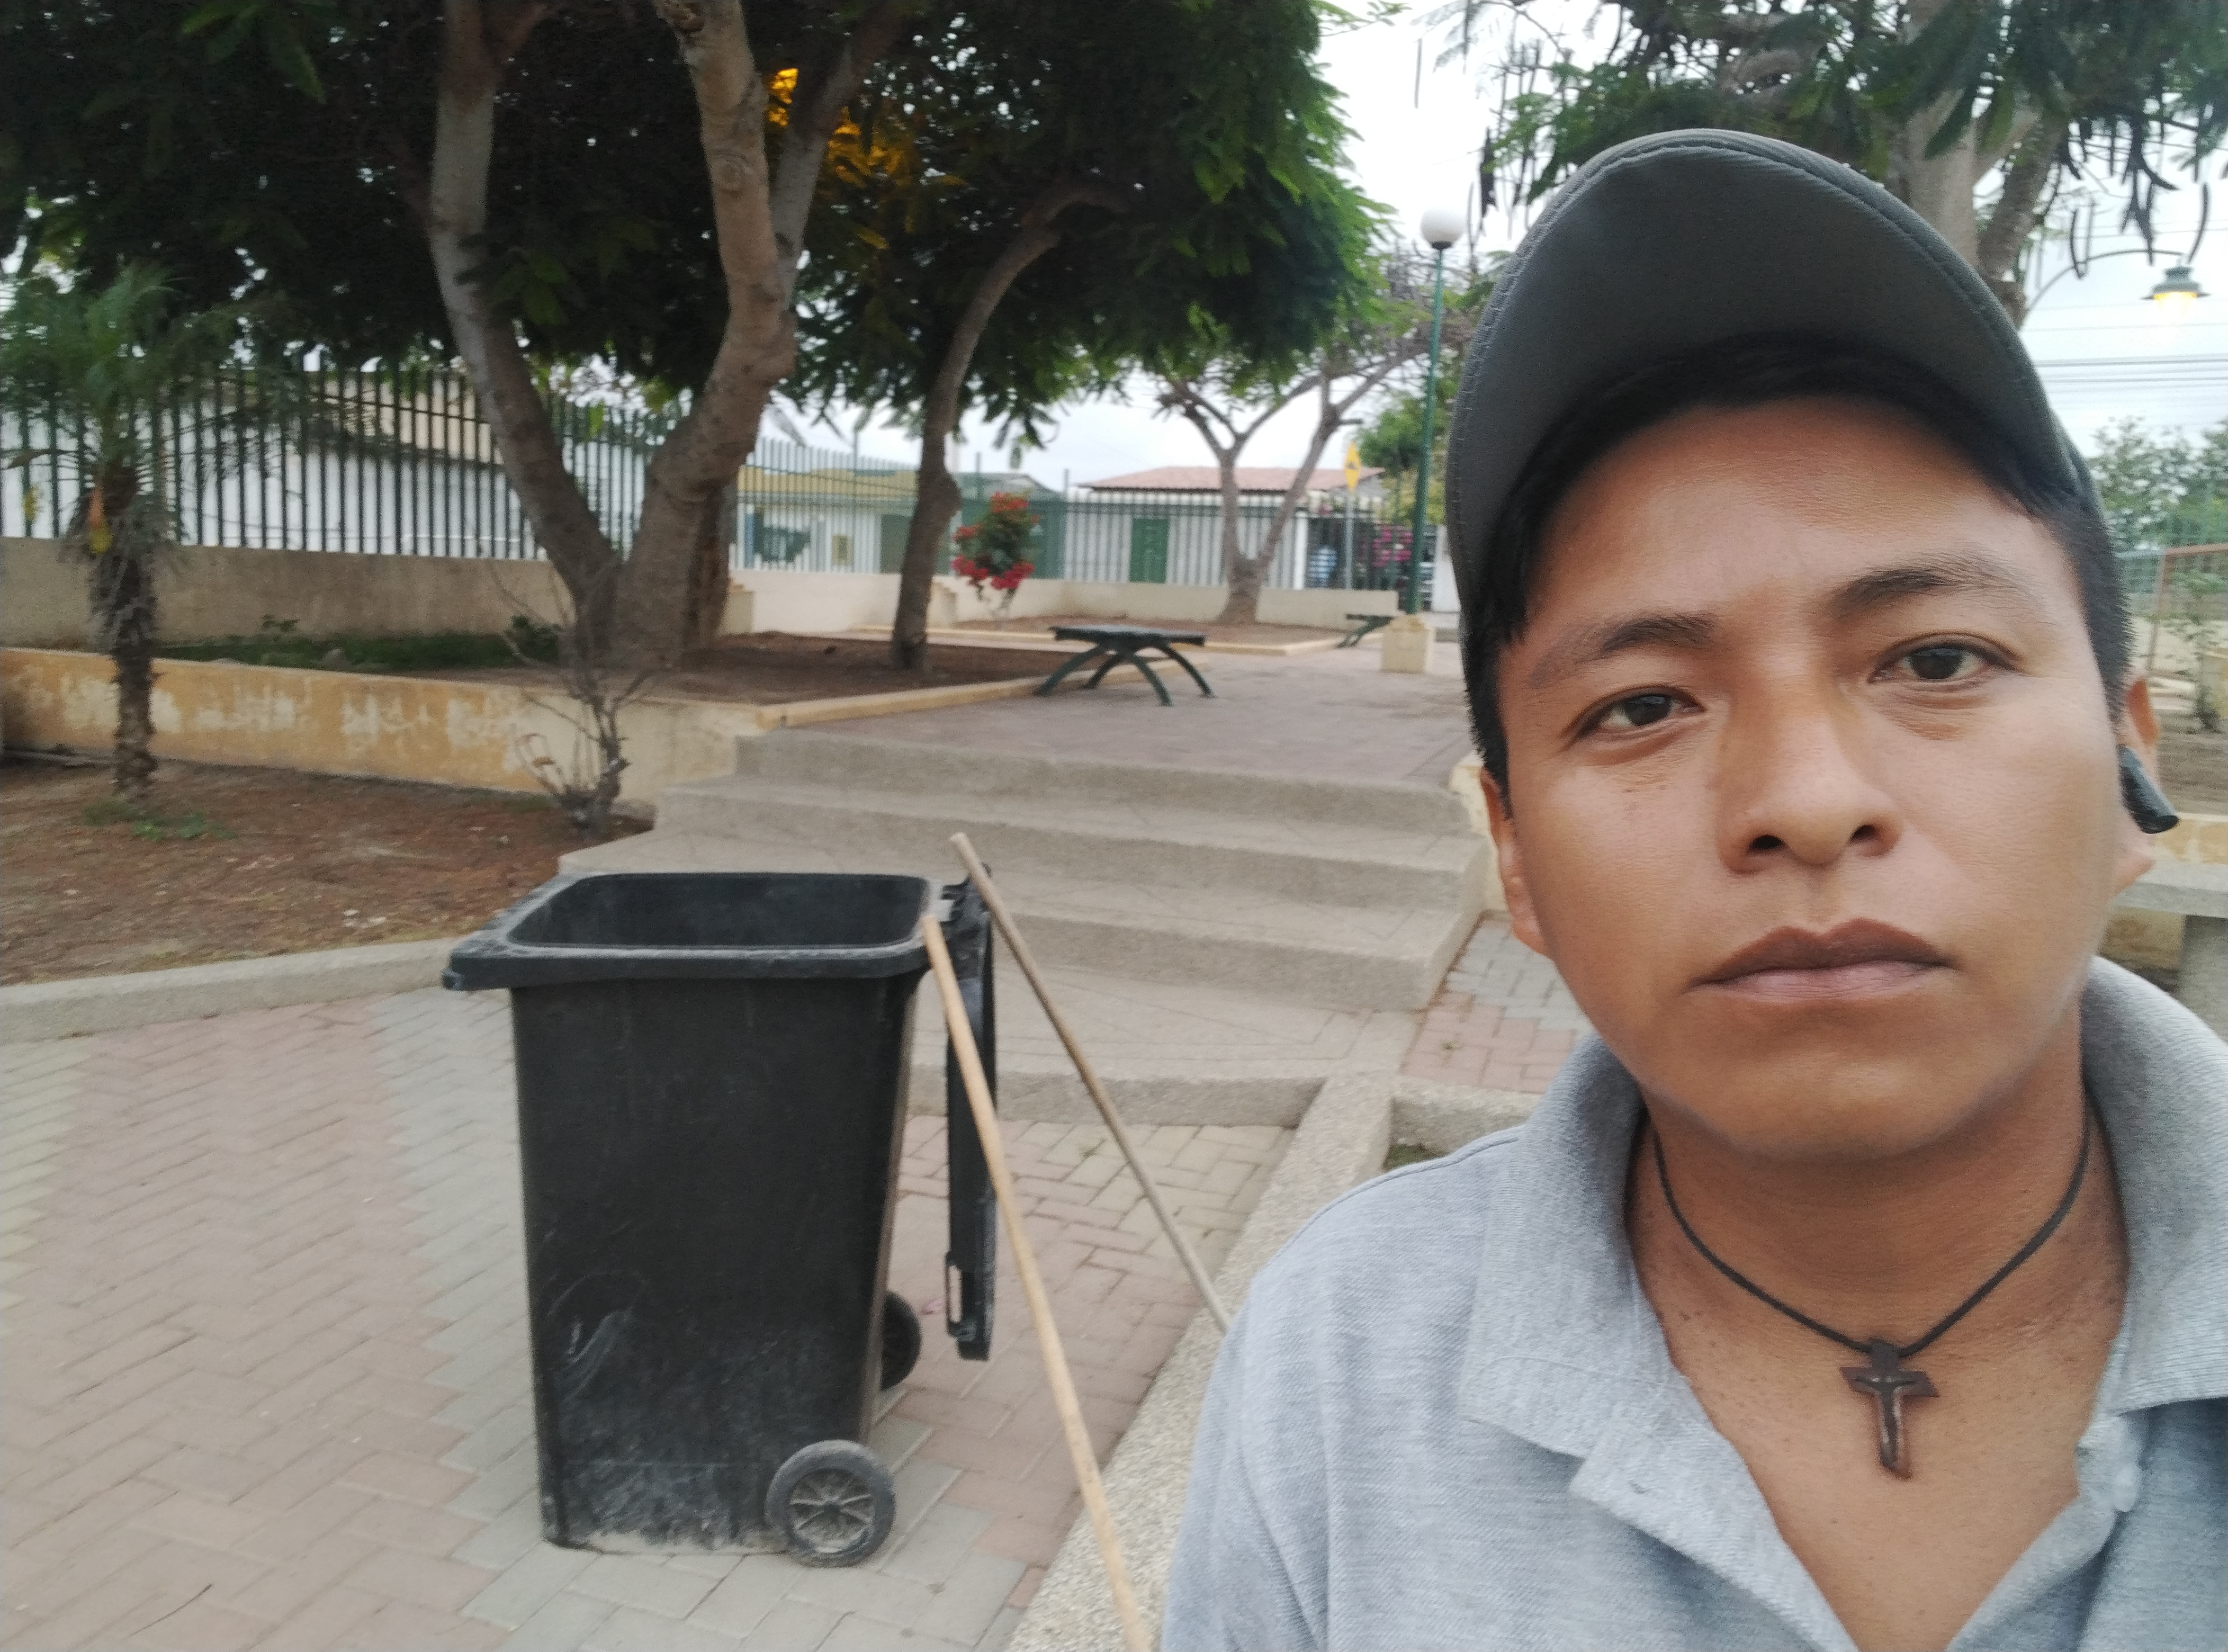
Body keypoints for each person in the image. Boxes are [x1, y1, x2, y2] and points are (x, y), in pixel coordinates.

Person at [1162, 131, 2225, 1652]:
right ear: (1515, 857)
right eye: (1644, 706)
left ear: (2129, 769)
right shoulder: (1336, 1362)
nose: (1806, 800)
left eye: (1935, 659)